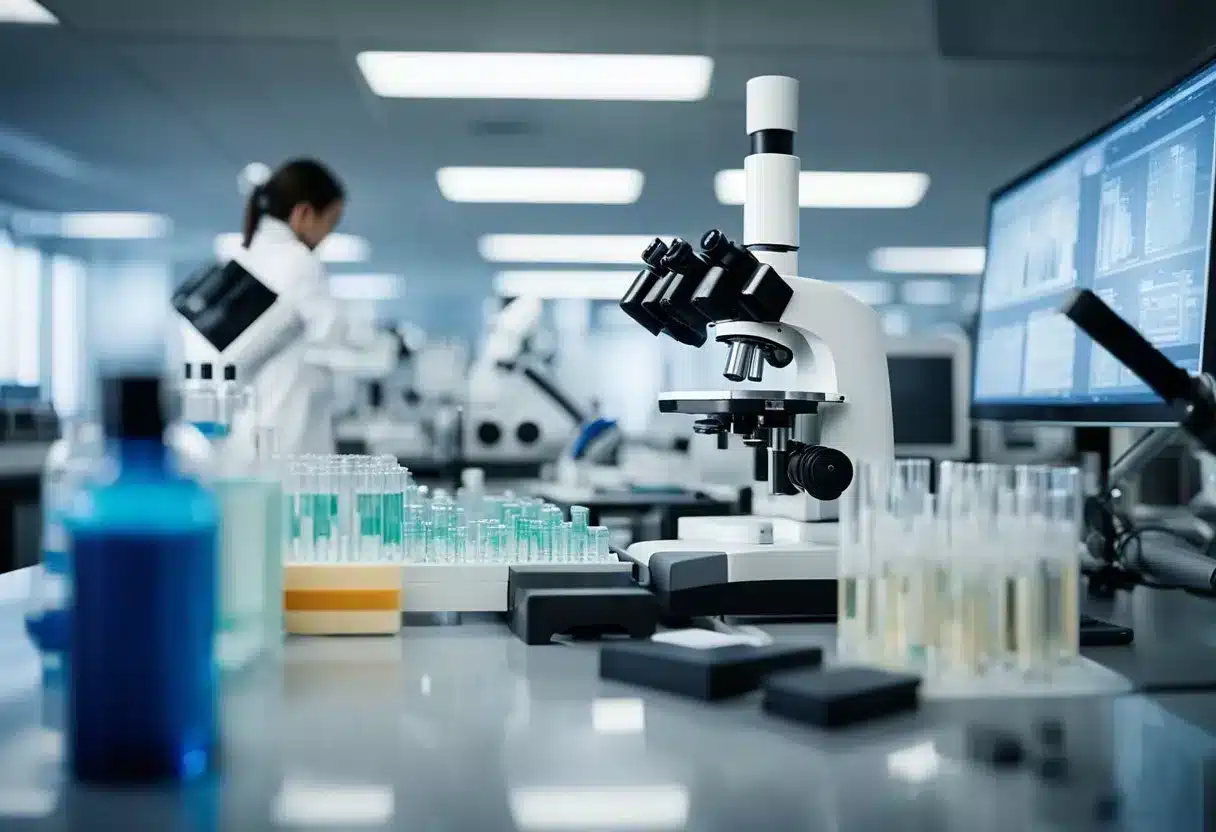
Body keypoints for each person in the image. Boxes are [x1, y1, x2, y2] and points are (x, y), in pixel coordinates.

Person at [232, 158, 392, 456]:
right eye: (330, 222)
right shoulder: (298, 261)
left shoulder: (244, 257)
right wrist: (379, 352)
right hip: (287, 431)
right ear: (304, 213)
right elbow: (334, 339)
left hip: (248, 432)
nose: (327, 236)